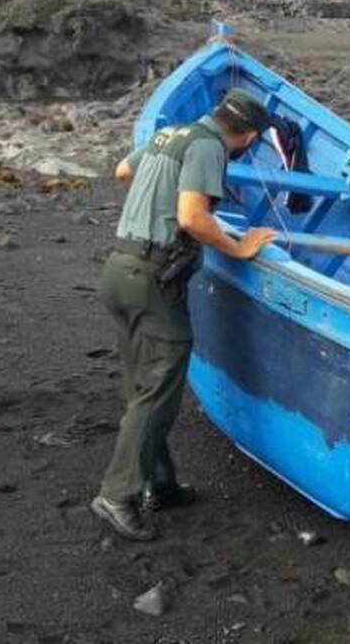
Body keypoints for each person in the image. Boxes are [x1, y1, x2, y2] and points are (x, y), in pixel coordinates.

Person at [90, 89, 277, 541]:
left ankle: (160, 484)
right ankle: (117, 495)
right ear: (248, 135)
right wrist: (240, 247)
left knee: (143, 383)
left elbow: (122, 171)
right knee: (158, 389)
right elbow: (193, 218)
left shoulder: (171, 134)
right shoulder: (210, 147)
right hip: (152, 279)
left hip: (119, 269)